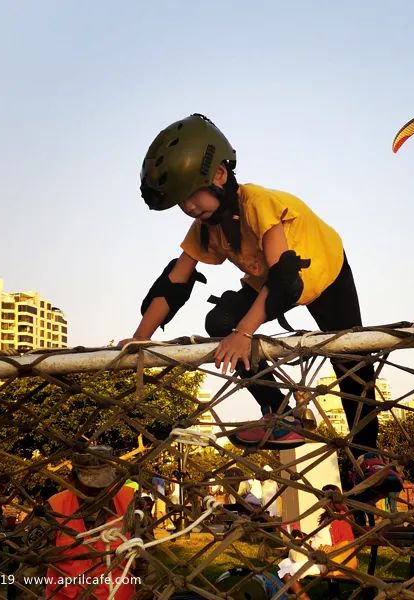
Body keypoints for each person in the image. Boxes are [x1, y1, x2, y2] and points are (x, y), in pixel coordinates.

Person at [122, 114, 396, 494]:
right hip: (271, 280)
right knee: (219, 322)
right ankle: (281, 413)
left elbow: (286, 277)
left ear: (219, 174)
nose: (187, 206)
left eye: (190, 195)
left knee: (350, 354)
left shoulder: (258, 203)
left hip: (321, 271)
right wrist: (140, 337)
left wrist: (244, 331)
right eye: (179, 202)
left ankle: (369, 455)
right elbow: (175, 280)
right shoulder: (205, 227)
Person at [43, 446, 139, 600]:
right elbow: (34, 564)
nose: (97, 491)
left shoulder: (129, 502)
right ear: (72, 479)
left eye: (103, 484)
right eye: (89, 485)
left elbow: (147, 559)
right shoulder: (55, 506)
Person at [276, 484, 357, 600]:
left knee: (287, 570)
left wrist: (330, 549)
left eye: (324, 497)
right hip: (315, 556)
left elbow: (347, 542)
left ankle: (304, 598)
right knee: (285, 562)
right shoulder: (326, 517)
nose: (321, 499)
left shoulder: (340, 518)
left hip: (327, 561)